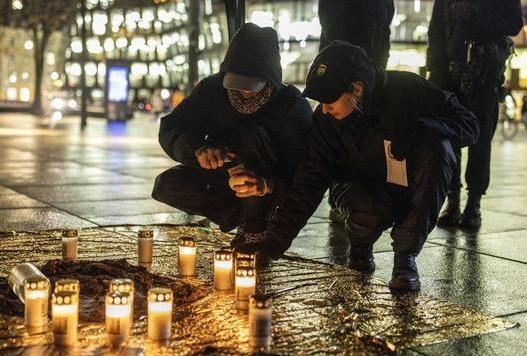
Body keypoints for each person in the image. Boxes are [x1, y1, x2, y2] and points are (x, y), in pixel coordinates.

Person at [237, 41, 479, 292]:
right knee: (369, 210)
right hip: (359, 187)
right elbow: (308, 183)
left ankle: (405, 258)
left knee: (438, 149)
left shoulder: (408, 89)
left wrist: (423, 128)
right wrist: (271, 246)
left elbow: (470, 125)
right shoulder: (326, 121)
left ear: (357, 89)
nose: (325, 110)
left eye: (330, 101)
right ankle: (361, 245)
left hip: (410, 183)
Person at [151, 23, 313, 247]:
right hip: (221, 176)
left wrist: (267, 186)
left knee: (251, 134)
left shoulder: (291, 106)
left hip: (266, 182)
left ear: (270, 78)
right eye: (236, 82)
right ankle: (242, 216)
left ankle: (256, 222)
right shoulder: (212, 89)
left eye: (251, 85)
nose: (243, 91)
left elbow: (302, 170)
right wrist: (197, 150)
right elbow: (174, 127)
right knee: (166, 185)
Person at [428, 0, 523, 228]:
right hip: (450, 75)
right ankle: (452, 200)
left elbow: (514, 24)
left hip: (486, 75)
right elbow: (437, 30)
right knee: (450, 138)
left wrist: (473, 13)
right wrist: (434, 72)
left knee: (481, 141)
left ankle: (474, 202)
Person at [318, 0, 395, 223]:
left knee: (362, 133)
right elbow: (332, 24)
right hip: (343, 70)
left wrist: (378, 66)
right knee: (339, 132)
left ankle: (357, 194)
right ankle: (339, 197)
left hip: (370, 69)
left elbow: (383, 26)